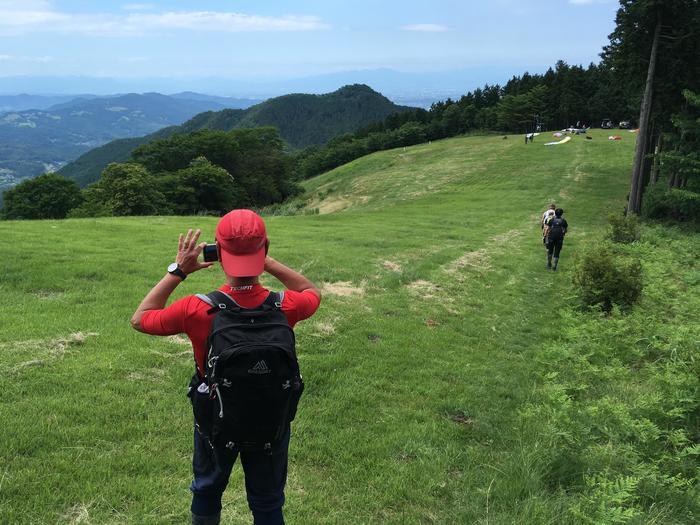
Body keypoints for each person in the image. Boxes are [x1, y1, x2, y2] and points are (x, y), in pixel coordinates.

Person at [130, 209, 321, 525]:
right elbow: (311, 292)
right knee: (268, 501)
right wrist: (264, 259)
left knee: (206, 491)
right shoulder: (287, 305)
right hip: (270, 420)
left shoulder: (197, 308)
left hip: (216, 419)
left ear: (218, 253)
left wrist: (178, 271)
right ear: (265, 248)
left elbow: (141, 319)